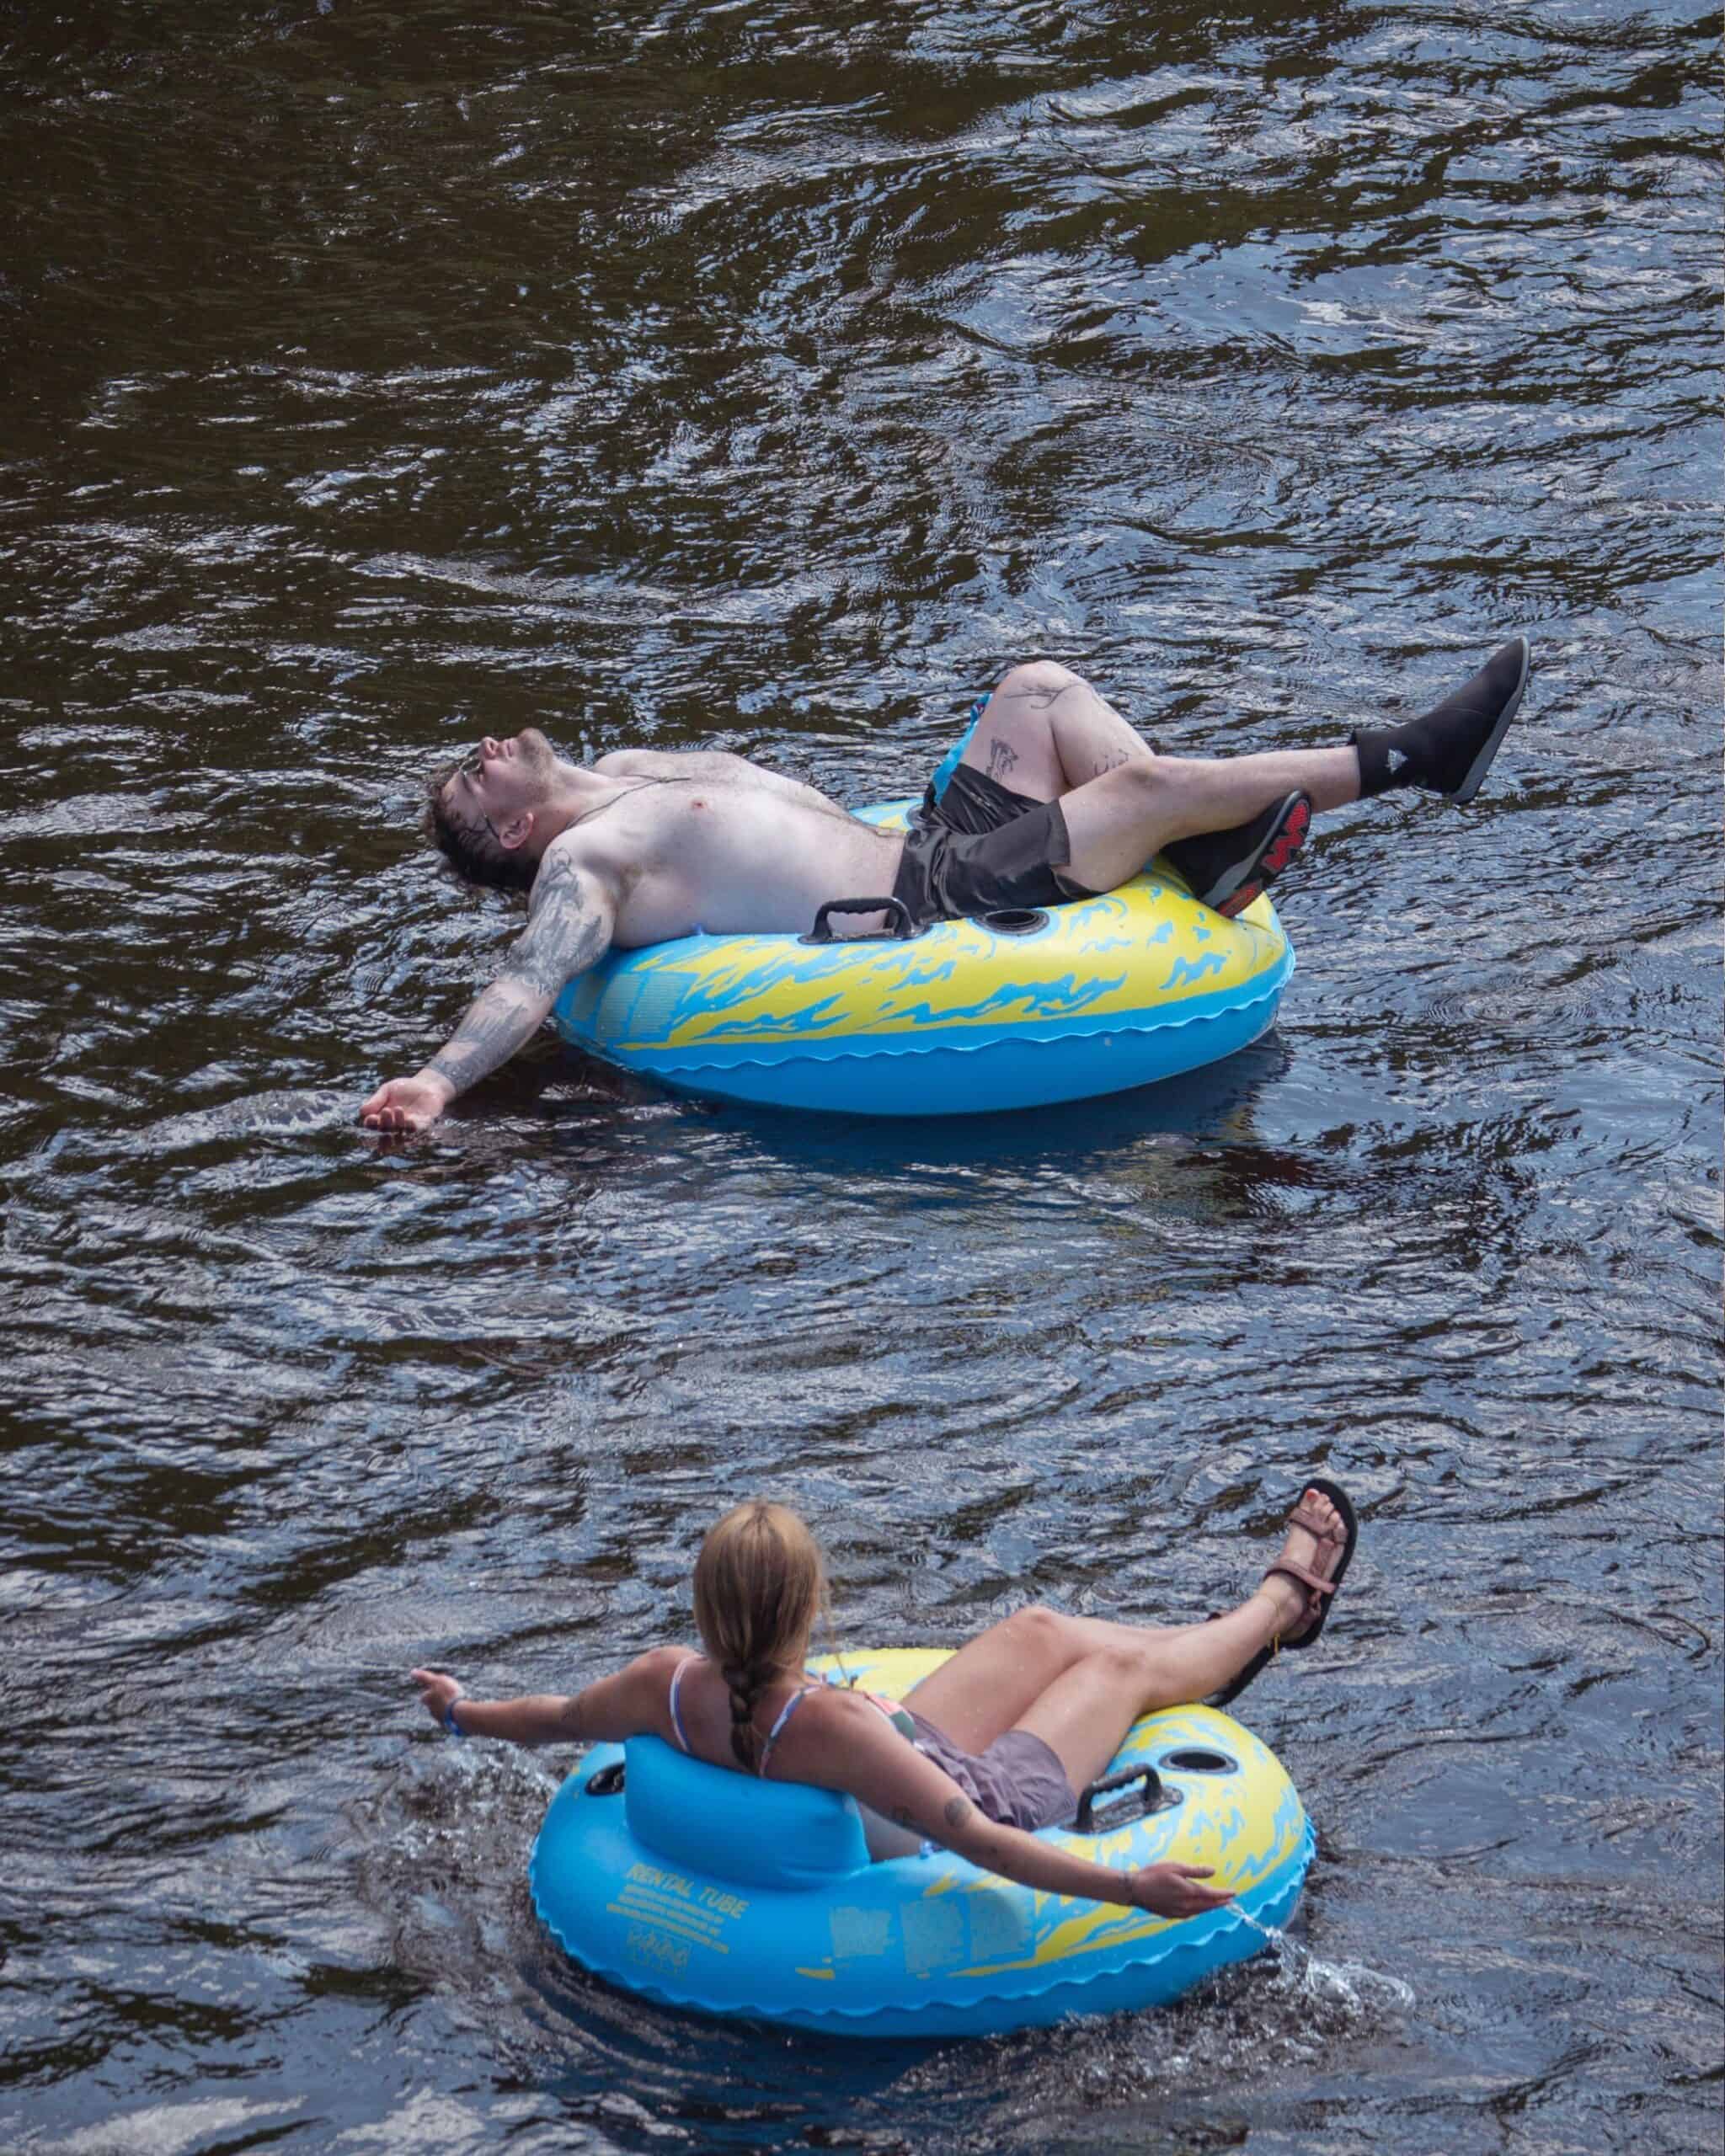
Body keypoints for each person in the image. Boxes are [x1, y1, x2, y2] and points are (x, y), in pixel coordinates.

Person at [361, 640, 1530, 1133]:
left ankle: (1210, 856)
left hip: (929, 839)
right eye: (472, 784)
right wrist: (435, 1080)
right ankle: (1416, 759)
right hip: (927, 908)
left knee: (1034, 686)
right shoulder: (582, 865)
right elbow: (529, 980)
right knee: (1148, 789)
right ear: (514, 829)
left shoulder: (623, 774)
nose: (479, 752)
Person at [410, 1481, 1359, 1918]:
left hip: (896, 1749)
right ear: (809, 1608)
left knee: (1035, 1629)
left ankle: (1204, 1655)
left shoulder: (661, 1682)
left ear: (706, 1608)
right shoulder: (825, 1728)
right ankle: (1276, 1611)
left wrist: (461, 1710)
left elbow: (556, 1720)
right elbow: (982, 1839)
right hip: (977, 1791)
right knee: (1109, 1676)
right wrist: (1127, 1888)